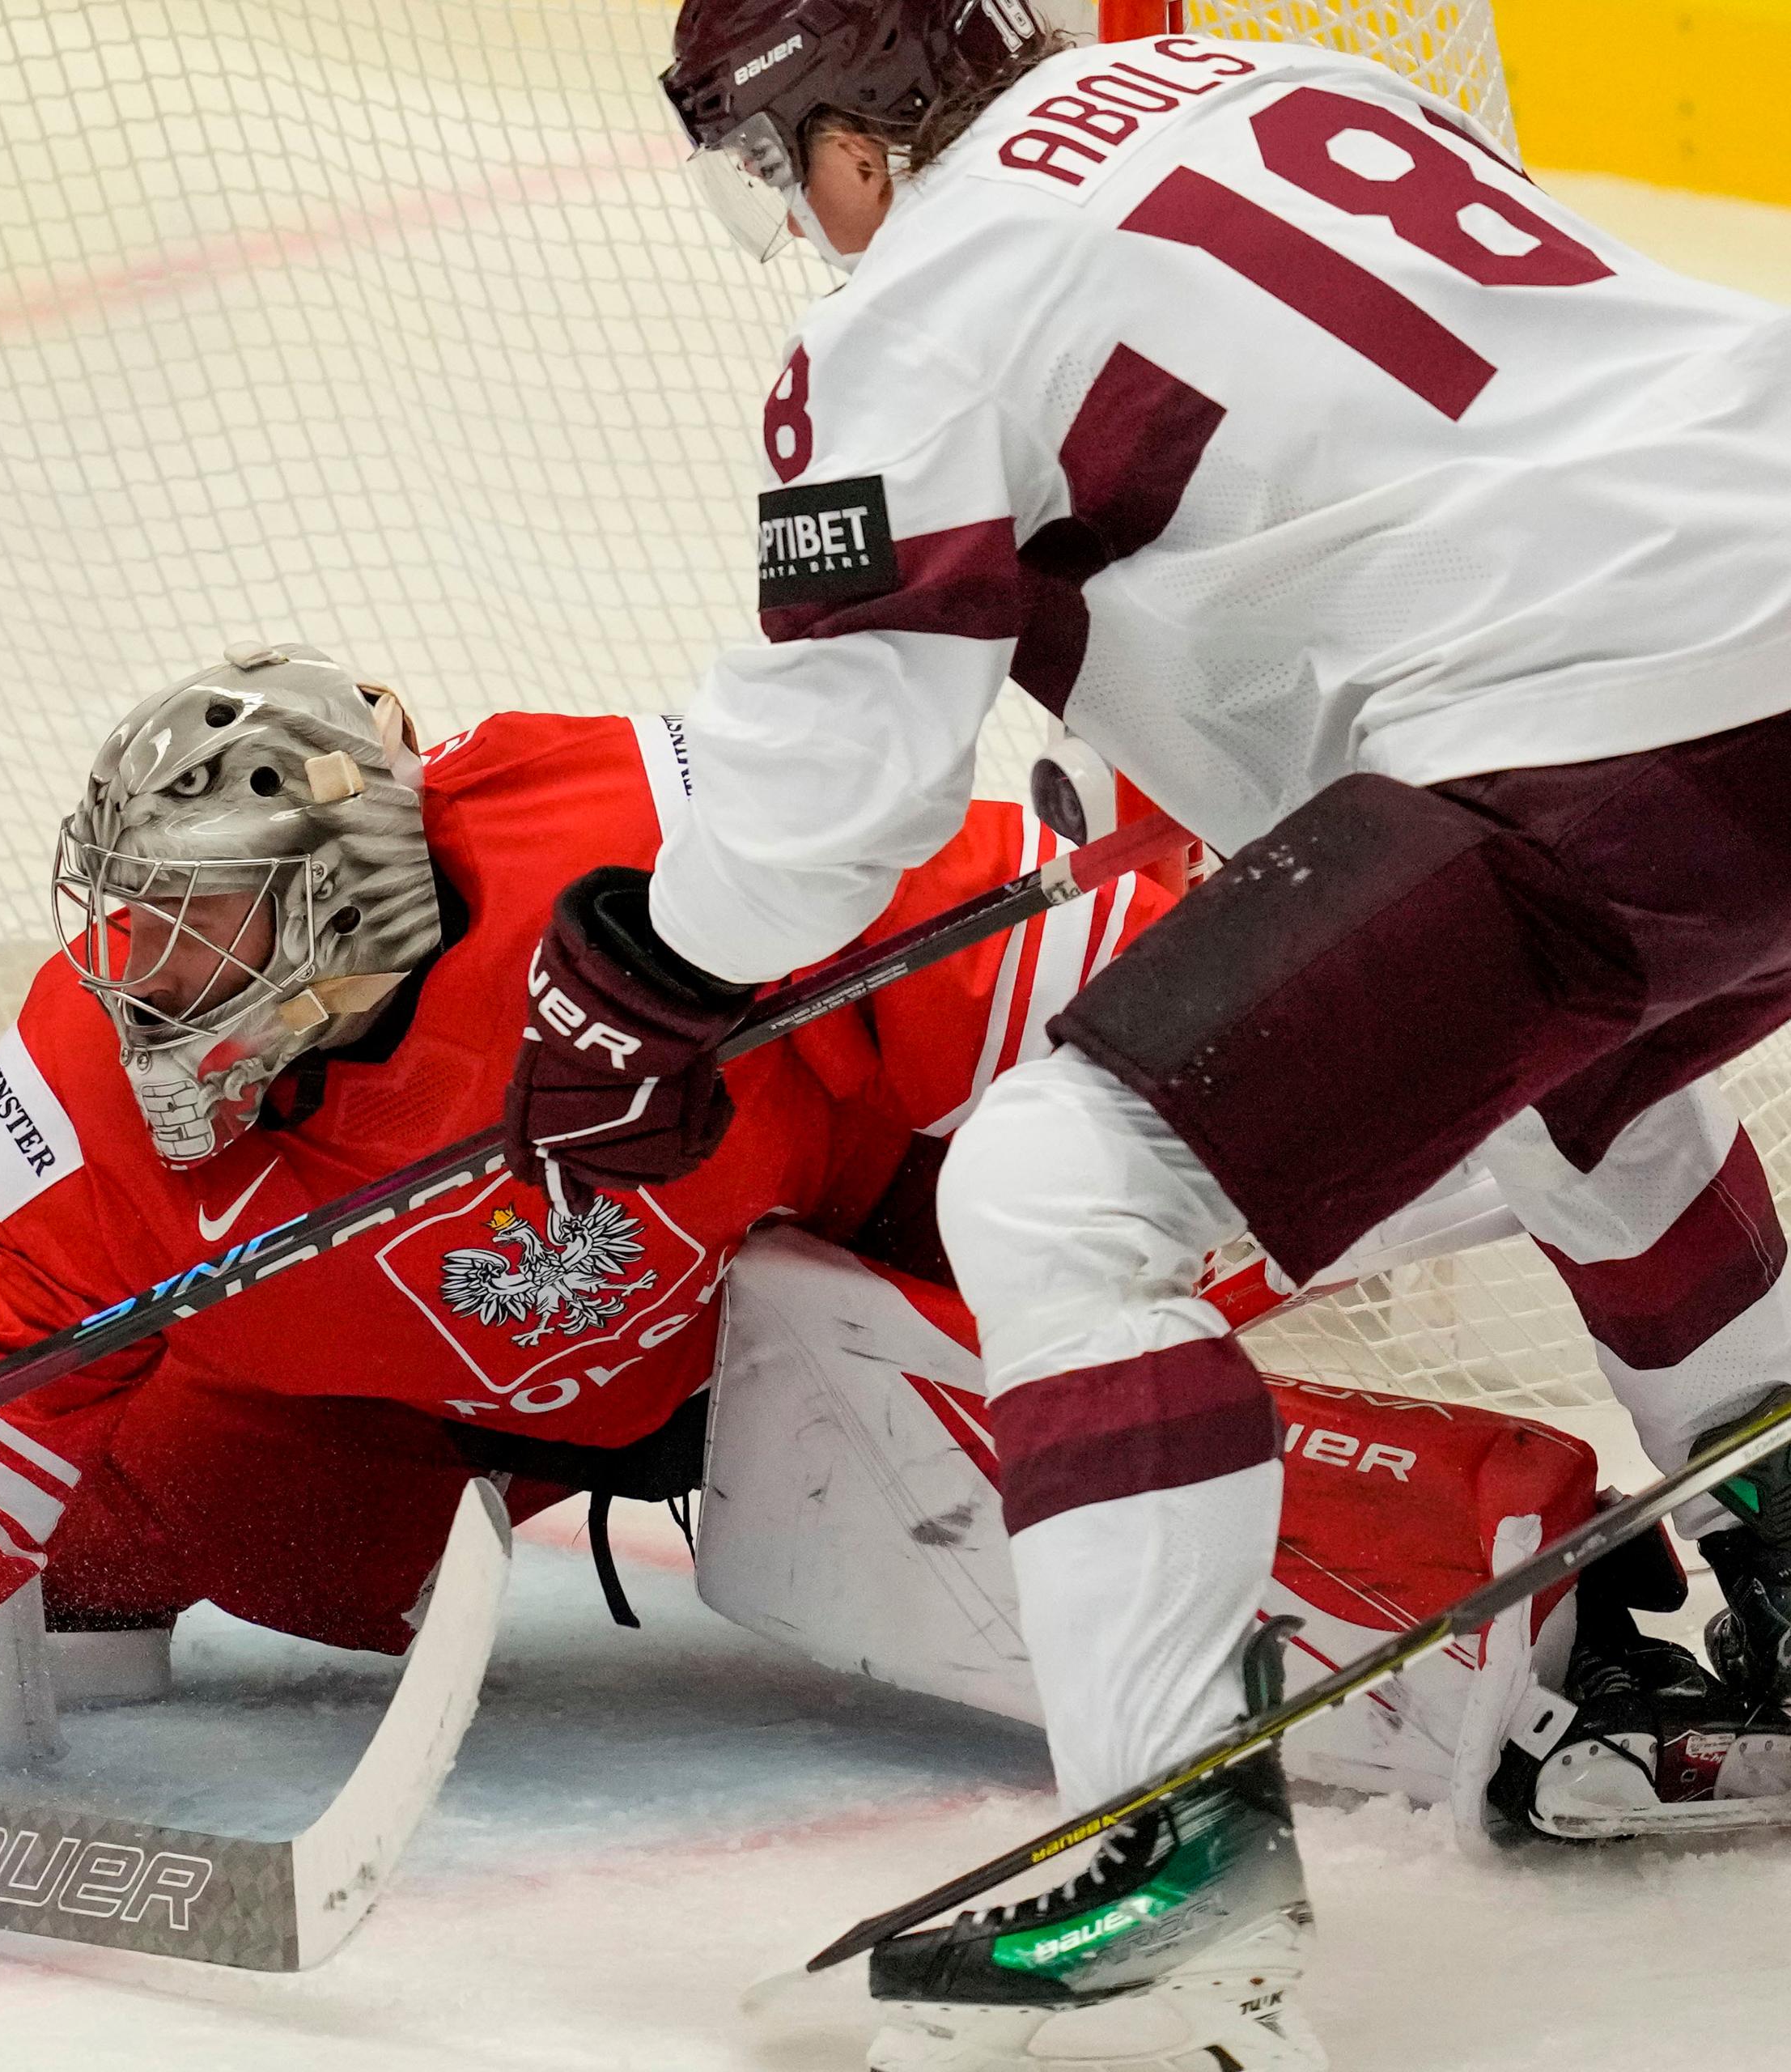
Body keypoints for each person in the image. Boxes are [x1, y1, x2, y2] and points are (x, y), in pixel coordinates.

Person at [499, 5, 1791, 2066]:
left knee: (1056, 1186)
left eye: (785, 169)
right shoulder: (1283, 83)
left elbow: (839, 793)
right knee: (1565, 1072)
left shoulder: (914, 305)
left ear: (843, 137)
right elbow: (1403, 436)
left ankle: (1175, 1873)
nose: (805, 220)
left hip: (1586, 703)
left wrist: (641, 972)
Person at [0, 641, 1179, 1891]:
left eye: (200, 922)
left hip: (791, 1283)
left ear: (353, 899)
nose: (145, 973)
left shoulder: (637, 837)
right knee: (83, 1533)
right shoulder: (94, 1072)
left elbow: (1091, 960)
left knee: (1072, 1310)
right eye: (137, 916)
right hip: (412, 1425)